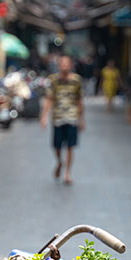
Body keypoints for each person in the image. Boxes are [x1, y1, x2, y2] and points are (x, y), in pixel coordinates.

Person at [41, 54, 85, 185]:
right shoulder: (53, 80)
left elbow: (79, 100)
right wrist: (44, 117)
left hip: (72, 117)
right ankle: (60, 162)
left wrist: (81, 119)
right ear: (59, 66)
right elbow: (49, 99)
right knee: (57, 147)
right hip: (57, 118)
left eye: (67, 64)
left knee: (71, 146)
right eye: (62, 64)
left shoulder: (77, 80)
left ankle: (67, 173)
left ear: (71, 66)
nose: (64, 66)